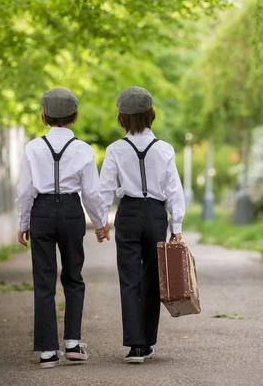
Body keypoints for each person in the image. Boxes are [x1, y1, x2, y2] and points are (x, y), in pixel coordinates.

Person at [15, 87, 109, 369]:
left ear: (43, 116)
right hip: (70, 212)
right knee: (73, 276)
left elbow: (24, 190)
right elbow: (91, 192)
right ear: (76, 116)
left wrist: (23, 222)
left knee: (44, 280)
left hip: (42, 212)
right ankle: (72, 343)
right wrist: (101, 222)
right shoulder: (82, 149)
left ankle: (47, 352)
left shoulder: (32, 148)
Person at [97, 86, 185, 364]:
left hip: (130, 214)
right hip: (157, 215)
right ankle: (147, 341)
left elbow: (104, 190)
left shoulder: (115, 150)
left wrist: (101, 222)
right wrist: (177, 225)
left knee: (130, 278)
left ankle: (135, 346)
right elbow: (174, 189)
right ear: (152, 115)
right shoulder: (165, 149)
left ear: (121, 118)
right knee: (153, 278)